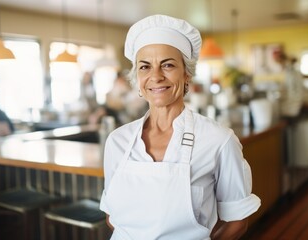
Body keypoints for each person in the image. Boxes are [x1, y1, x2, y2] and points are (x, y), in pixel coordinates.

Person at [99, 14, 261, 240]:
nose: (155, 76)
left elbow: (236, 222)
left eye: (167, 65)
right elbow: (111, 216)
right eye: (145, 67)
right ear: (137, 77)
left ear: (187, 74)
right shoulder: (118, 141)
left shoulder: (218, 140)